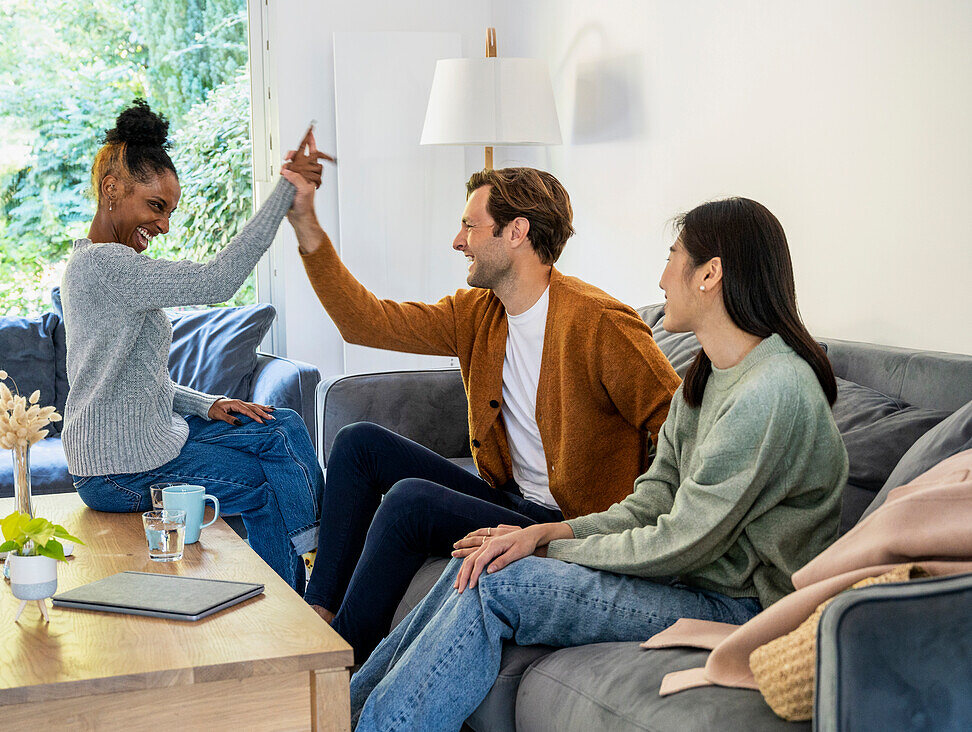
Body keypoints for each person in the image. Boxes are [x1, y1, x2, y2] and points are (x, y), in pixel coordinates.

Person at [348, 197, 849, 731]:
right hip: (692, 583)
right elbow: (653, 500)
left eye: (672, 256)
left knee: (499, 582)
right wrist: (544, 530)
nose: (660, 280)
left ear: (710, 274)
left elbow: (682, 540)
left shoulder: (772, 392)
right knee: (479, 561)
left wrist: (548, 545)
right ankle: (340, 714)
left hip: (743, 609)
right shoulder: (707, 380)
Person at [284, 162, 681, 662]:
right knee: (359, 444)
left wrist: (646, 536)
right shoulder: (478, 312)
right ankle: (316, 618)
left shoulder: (601, 324)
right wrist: (306, 225)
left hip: (573, 529)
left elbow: (685, 427)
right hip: (511, 502)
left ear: (517, 232)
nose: (458, 240)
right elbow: (363, 321)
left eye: (470, 226)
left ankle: (340, 662)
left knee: (409, 502)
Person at [61, 99, 329, 591]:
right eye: (156, 207)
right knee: (267, 483)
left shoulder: (98, 265)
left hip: (140, 445)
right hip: (119, 470)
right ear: (112, 189)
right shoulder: (106, 267)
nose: (164, 225)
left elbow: (136, 379)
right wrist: (286, 191)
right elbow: (217, 281)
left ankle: (316, 555)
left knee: (282, 424)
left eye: (169, 211)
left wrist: (210, 404)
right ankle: (311, 583)